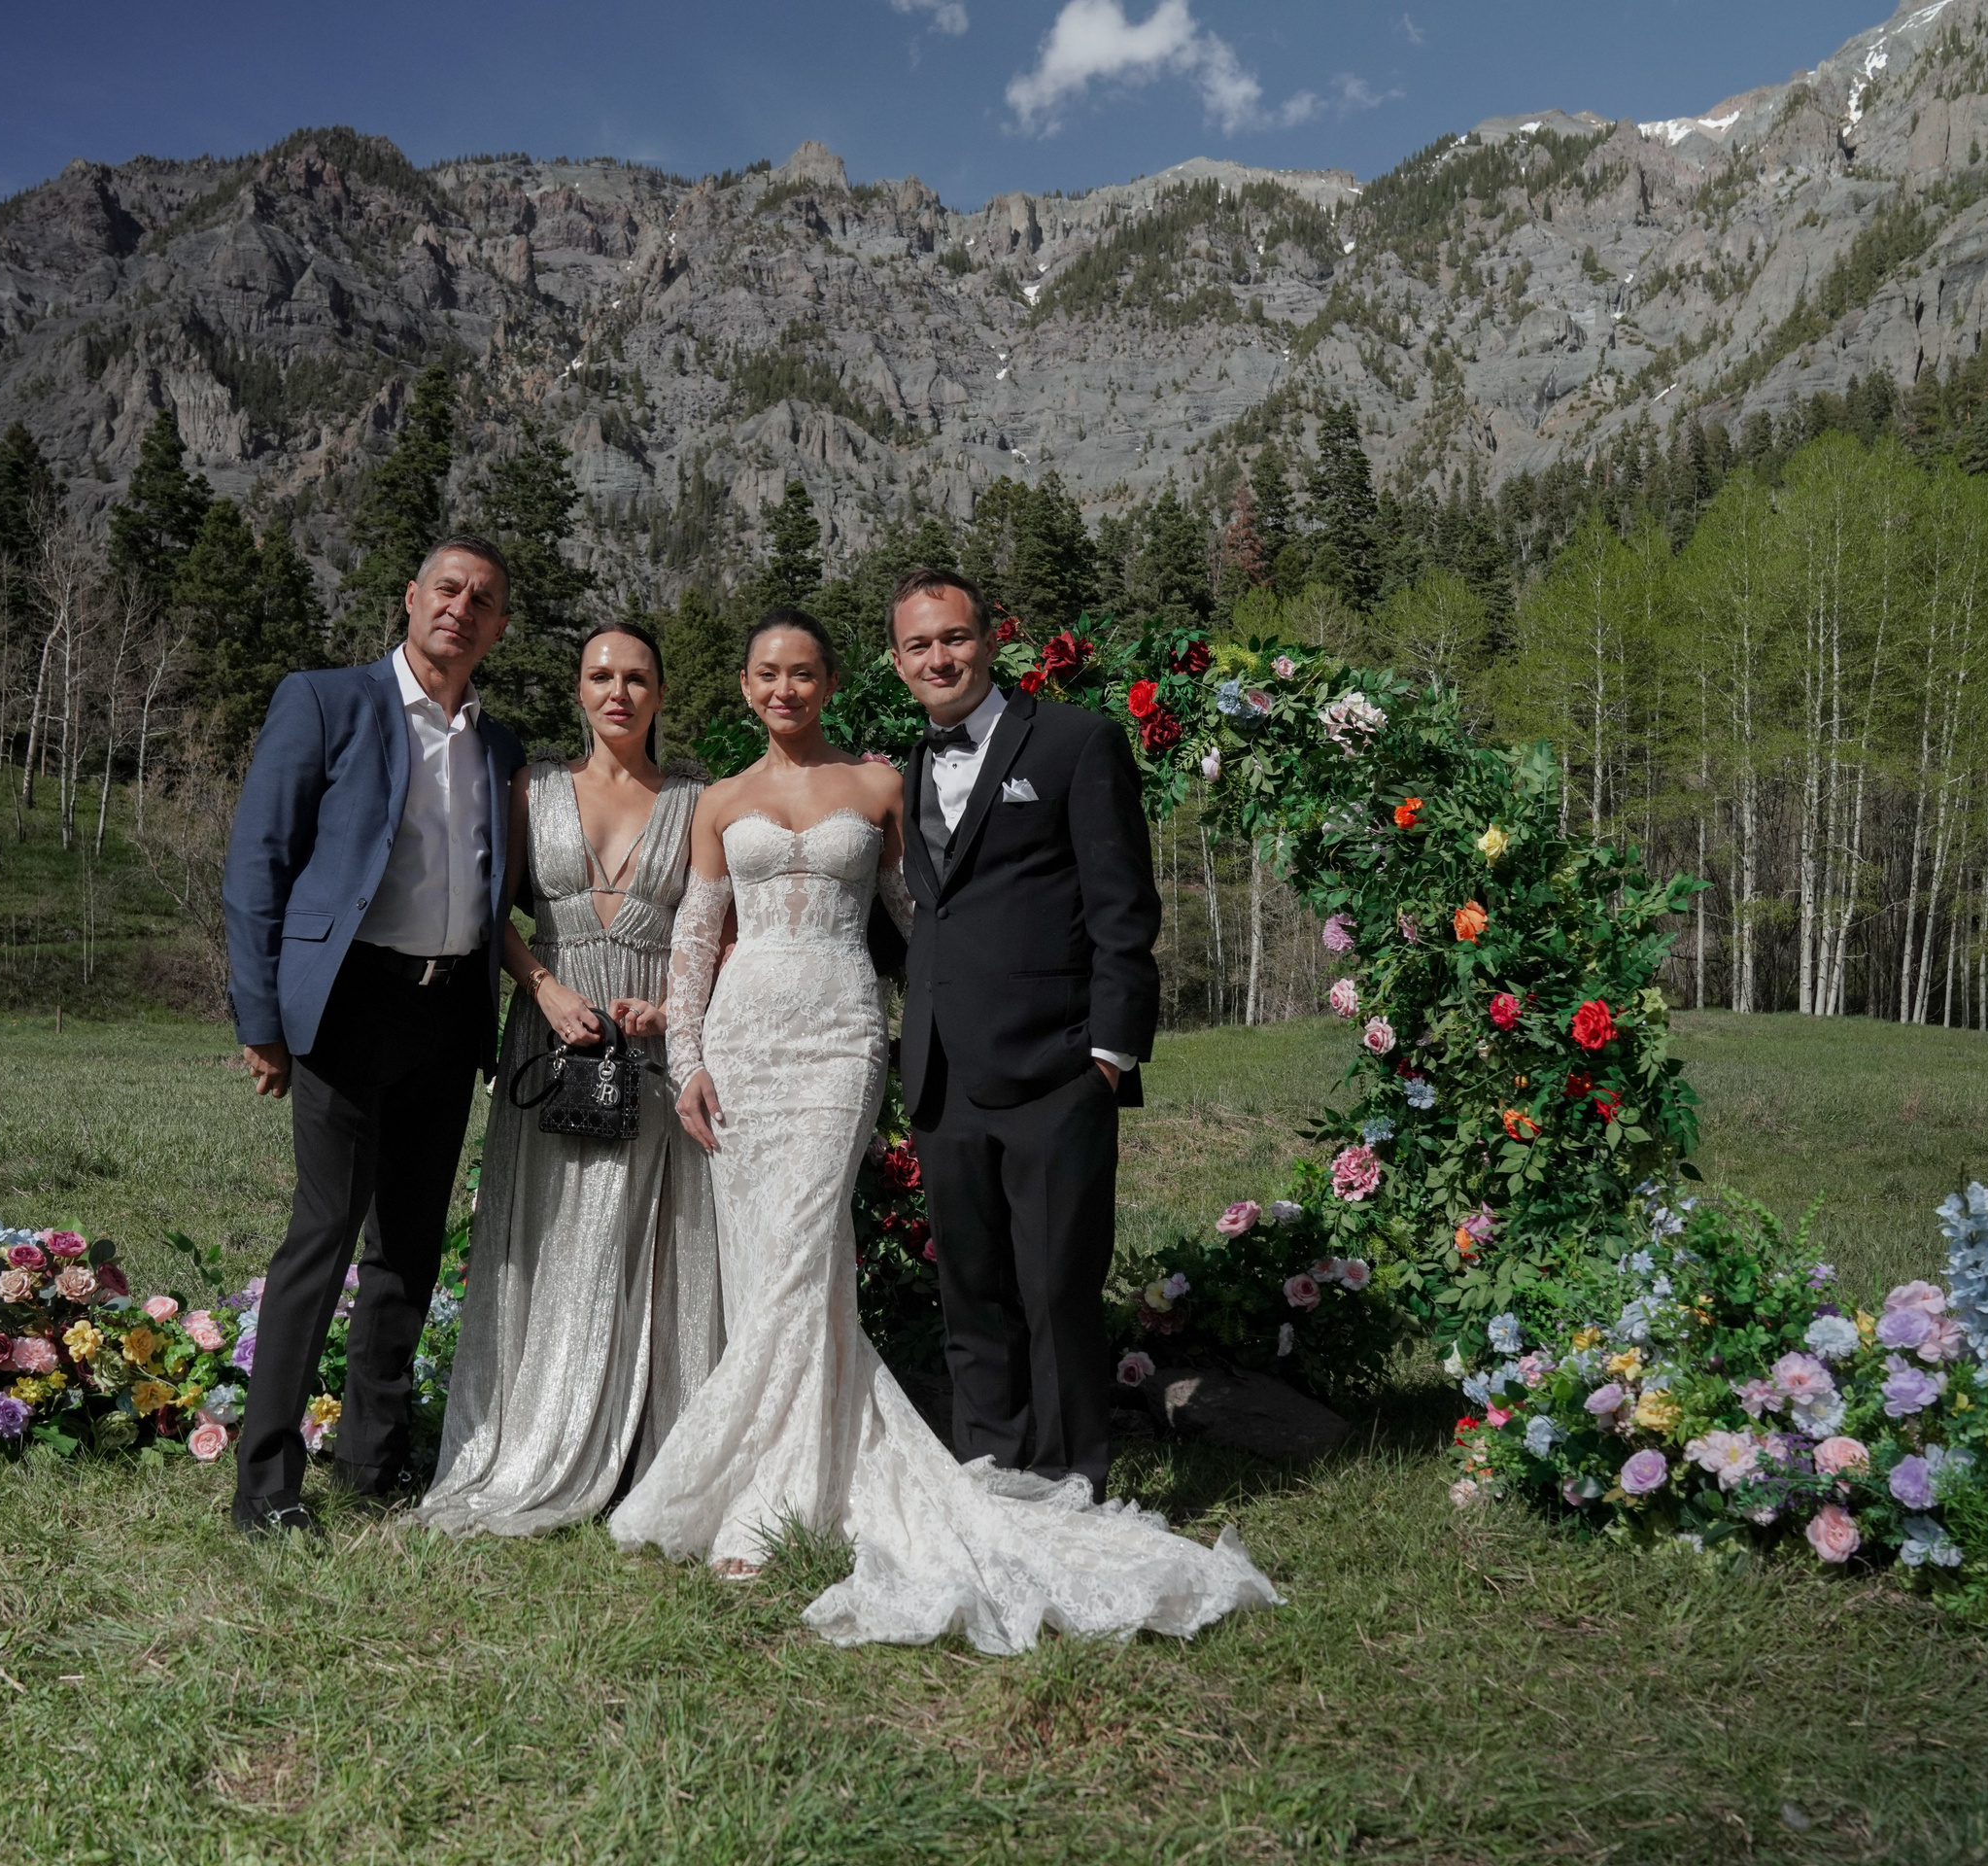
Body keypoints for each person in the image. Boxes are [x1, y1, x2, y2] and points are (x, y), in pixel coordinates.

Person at [606, 607, 1275, 1654]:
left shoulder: (883, 785)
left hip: (838, 1042)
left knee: (809, 1259)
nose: (783, 690)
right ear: (742, 687)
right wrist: (684, 1061)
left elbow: (934, 914)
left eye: (802, 673)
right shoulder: (718, 801)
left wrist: (1091, 1036)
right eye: (765, 674)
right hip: (744, 1046)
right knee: (774, 1264)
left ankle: (852, 1481)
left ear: (830, 683)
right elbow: (696, 942)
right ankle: (783, 1478)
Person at [221, 537, 525, 1536]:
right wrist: (262, 1020)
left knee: (410, 1249)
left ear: (498, 626)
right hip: (348, 1005)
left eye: (482, 600)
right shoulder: (326, 702)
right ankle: (265, 1488)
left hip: (447, 1014)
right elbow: (259, 861)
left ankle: (375, 1459)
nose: (461, 609)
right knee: (323, 1234)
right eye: (447, 589)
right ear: (409, 597)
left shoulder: (498, 743)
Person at [414, 624, 722, 1537]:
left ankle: (651, 1451)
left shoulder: (699, 798)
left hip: (657, 1047)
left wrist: (667, 1005)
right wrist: (543, 988)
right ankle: (538, 1432)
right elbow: (495, 909)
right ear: (578, 691)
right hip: (554, 1040)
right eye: (600, 676)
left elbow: (718, 928)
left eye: (636, 677)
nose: (618, 692)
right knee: (548, 1233)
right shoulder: (533, 786)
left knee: (662, 1240)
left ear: (661, 694)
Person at [887, 566, 1156, 1504]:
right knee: (971, 1289)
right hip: (942, 1070)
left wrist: (1109, 1055)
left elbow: (1124, 909)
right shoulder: (908, 767)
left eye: (953, 638)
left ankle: (1072, 1475)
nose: (939, 658)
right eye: (918, 645)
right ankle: (991, 1468)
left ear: (991, 639)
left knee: (1056, 1290)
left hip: (1057, 1065)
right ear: (897, 662)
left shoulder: (1078, 743)